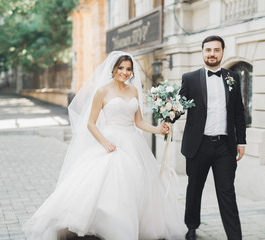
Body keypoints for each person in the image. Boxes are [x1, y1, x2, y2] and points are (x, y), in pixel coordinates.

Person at [23, 51, 186, 240]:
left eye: (128, 69)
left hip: (133, 141)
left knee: (136, 186)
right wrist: (104, 142)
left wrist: (159, 130)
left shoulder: (133, 90)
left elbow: (139, 122)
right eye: (121, 68)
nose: (125, 72)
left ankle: (130, 226)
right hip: (110, 140)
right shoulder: (102, 90)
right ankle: (103, 226)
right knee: (106, 184)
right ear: (113, 69)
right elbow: (90, 123)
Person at [179, 36, 246, 240]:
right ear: (202, 52)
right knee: (194, 189)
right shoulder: (189, 78)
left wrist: (241, 140)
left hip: (225, 147)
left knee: (227, 192)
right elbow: (180, 106)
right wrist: (166, 117)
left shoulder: (233, 77)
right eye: (208, 50)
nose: (212, 54)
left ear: (222, 52)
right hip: (198, 146)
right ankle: (191, 226)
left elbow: (238, 113)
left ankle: (235, 236)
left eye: (216, 50)